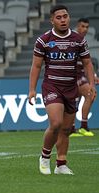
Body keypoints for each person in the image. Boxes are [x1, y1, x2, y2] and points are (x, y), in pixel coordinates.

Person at [28, 5, 97, 175]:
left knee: (66, 129)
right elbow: (36, 66)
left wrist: (92, 85)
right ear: (52, 20)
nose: (63, 20)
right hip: (52, 86)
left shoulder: (78, 39)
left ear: (69, 18)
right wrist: (32, 90)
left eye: (65, 16)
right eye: (58, 17)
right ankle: (45, 156)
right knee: (56, 123)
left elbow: (87, 63)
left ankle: (61, 164)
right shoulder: (43, 40)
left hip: (71, 87)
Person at [70, 18, 98, 137]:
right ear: (77, 26)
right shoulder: (72, 38)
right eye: (83, 26)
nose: (85, 29)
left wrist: (93, 75)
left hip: (80, 73)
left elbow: (86, 61)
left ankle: (72, 129)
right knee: (90, 94)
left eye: (87, 27)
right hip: (73, 74)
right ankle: (83, 127)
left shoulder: (82, 40)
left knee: (76, 100)